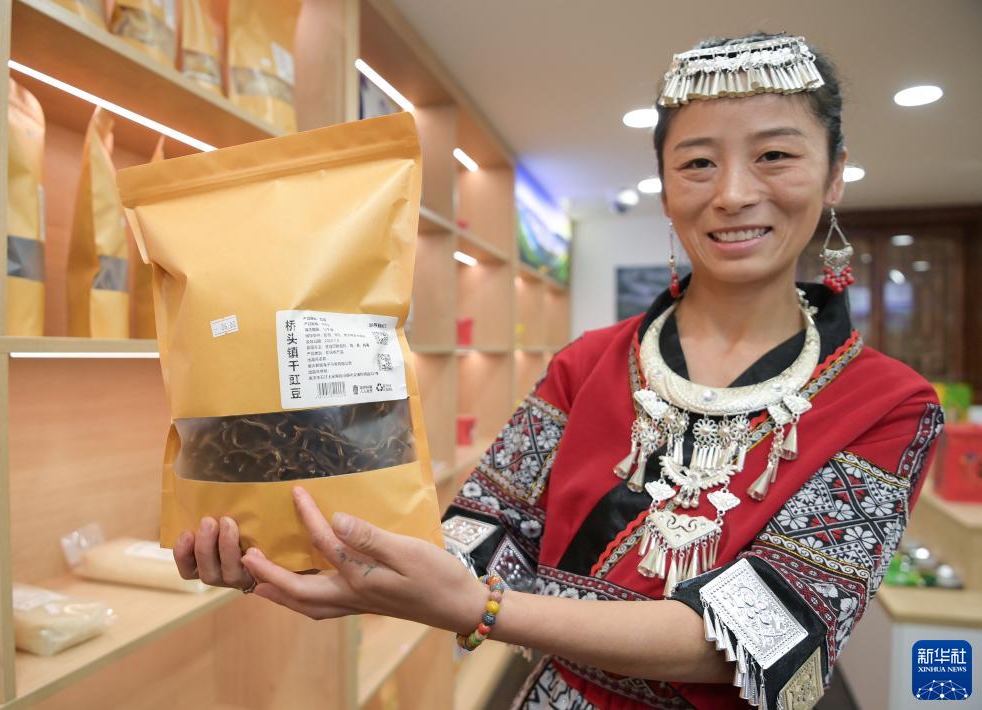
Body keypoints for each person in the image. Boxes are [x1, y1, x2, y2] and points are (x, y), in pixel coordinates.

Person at [174, 32, 943, 709]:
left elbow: (768, 633)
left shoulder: (888, 403)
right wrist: (305, 547)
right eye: (697, 163)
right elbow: (486, 528)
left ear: (834, 174)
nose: (733, 193)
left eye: (774, 155)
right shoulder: (587, 362)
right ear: (665, 186)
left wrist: (482, 610)